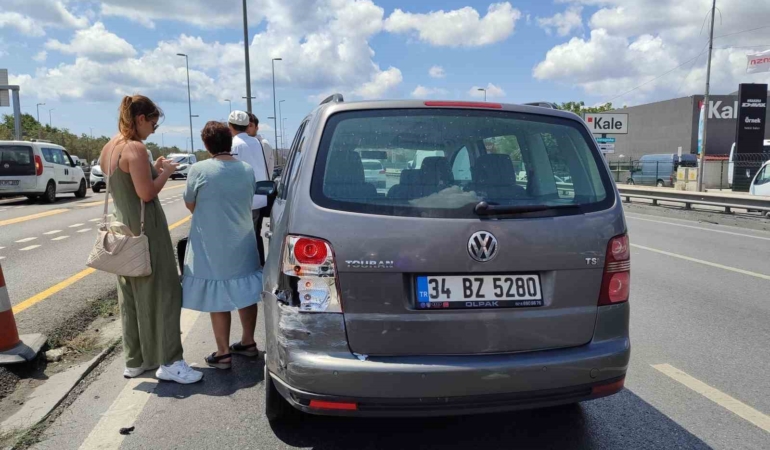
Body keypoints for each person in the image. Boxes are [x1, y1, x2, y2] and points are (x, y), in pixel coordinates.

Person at [98, 95, 202, 384]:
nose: (153, 130)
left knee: (130, 296)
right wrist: (166, 172)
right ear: (140, 119)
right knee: (166, 293)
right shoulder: (135, 147)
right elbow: (146, 193)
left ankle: (135, 360)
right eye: (153, 124)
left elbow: (129, 184)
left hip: (122, 230)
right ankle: (170, 361)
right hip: (147, 232)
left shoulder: (110, 146)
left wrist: (153, 167)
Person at [182, 121, 262, 369]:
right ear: (229, 142)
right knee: (246, 289)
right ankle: (248, 342)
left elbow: (190, 203)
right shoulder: (247, 169)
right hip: (243, 238)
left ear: (207, 145)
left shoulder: (199, 170)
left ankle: (223, 352)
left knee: (217, 293)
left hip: (212, 243)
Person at [229, 111, 270, 266]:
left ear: (230, 126)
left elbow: (231, 172)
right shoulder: (256, 142)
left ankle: (249, 267)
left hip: (243, 200)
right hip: (259, 197)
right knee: (255, 234)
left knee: (243, 238)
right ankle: (259, 265)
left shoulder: (234, 144)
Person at [246, 113, 275, 178]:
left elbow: (259, 168)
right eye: (245, 126)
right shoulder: (242, 144)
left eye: (250, 125)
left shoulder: (263, 144)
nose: (247, 128)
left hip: (260, 183)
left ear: (256, 128)